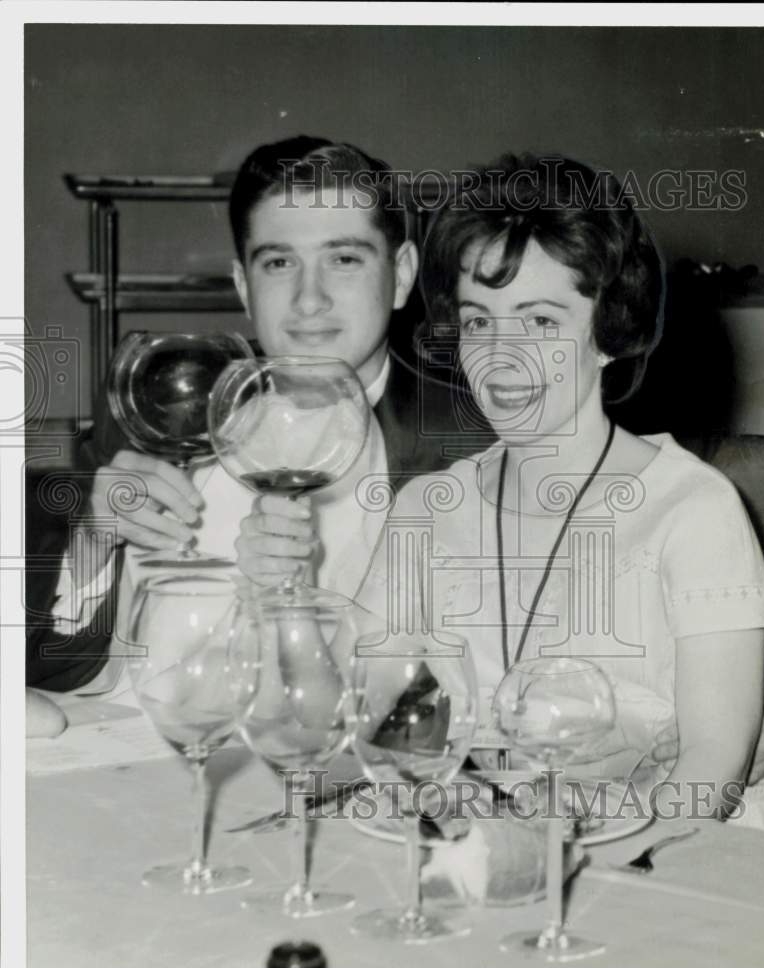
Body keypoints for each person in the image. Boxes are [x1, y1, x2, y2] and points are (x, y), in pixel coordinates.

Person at [351, 153, 764, 819]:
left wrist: (578, 860)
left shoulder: (693, 510)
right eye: (479, 320)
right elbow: (382, 710)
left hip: (640, 863)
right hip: (459, 844)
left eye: (542, 321)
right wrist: (468, 814)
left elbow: (710, 773)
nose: (502, 355)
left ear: (608, 334)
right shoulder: (424, 511)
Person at [25, 135, 494, 715]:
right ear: (244, 285)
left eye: (343, 259)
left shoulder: (473, 441)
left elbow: (469, 698)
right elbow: (44, 660)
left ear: (400, 275)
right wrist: (93, 538)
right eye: (279, 263)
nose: (308, 299)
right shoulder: (158, 402)